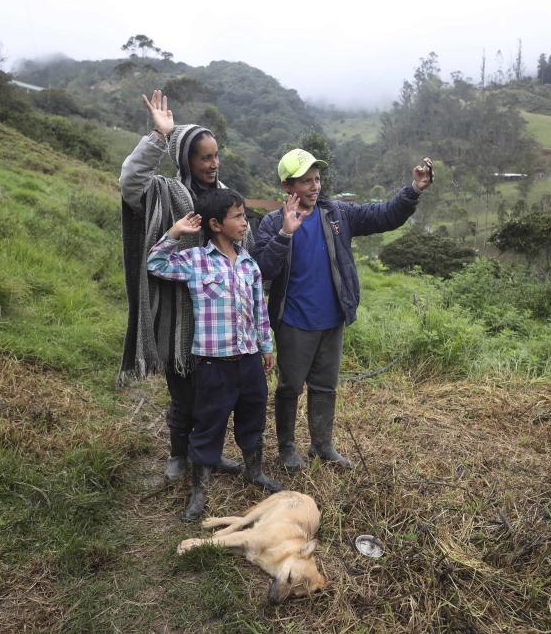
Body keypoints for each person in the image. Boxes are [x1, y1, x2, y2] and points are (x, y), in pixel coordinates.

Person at [254, 149, 433, 471]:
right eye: (306, 181)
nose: (314, 186)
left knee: (325, 386)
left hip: (331, 319)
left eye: (317, 179)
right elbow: (263, 269)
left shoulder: (336, 214)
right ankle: (287, 448)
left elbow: (383, 215)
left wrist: (413, 190)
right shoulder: (271, 223)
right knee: (290, 387)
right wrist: (285, 233)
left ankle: (322, 446)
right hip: (294, 321)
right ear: (287, 186)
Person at [118, 90, 247, 484]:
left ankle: (207, 454)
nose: (213, 163)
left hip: (219, 318)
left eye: (215, 155)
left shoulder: (223, 198)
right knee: (185, 393)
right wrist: (162, 137)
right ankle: (178, 451)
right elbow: (129, 182)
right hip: (179, 313)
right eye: (204, 157)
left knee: (217, 395)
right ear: (187, 159)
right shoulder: (164, 192)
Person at [147, 188, 282, 521]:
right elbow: (155, 263)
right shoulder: (196, 261)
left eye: (244, 215)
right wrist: (176, 232)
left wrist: (266, 346)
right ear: (215, 224)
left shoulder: (249, 264)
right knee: (208, 425)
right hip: (213, 365)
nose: (245, 222)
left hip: (249, 361)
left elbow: (259, 310)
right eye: (237, 216)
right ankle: (199, 493)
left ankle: (254, 470)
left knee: (253, 417)